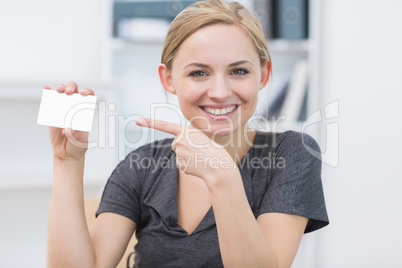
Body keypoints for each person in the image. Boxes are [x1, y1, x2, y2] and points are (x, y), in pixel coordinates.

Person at [47, 0, 329, 267]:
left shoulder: (292, 153)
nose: (219, 92)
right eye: (198, 73)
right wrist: (67, 163)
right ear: (168, 79)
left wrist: (222, 175)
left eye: (239, 71)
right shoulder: (141, 166)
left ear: (263, 75)